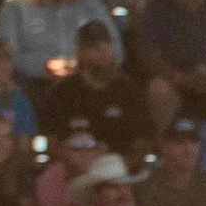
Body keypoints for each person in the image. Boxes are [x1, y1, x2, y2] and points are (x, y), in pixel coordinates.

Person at [38, 19, 151, 162]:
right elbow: (52, 144)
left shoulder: (127, 89)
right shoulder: (63, 92)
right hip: (74, 170)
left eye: (106, 45)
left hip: (119, 170)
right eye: (94, 47)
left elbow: (143, 140)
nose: (102, 52)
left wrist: (124, 162)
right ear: (80, 52)